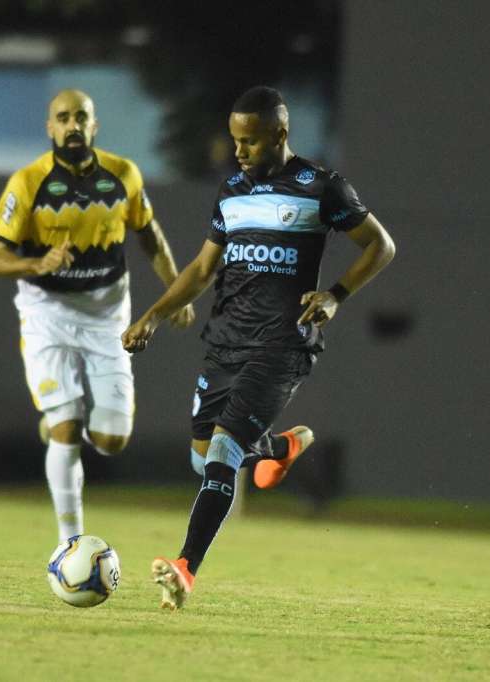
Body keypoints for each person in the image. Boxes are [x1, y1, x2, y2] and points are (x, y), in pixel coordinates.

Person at [122, 85, 396, 610]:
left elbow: (381, 246)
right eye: (234, 141)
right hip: (226, 340)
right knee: (204, 464)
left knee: (224, 450)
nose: (239, 150)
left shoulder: (323, 188)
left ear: (280, 134)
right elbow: (203, 269)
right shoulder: (231, 192)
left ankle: (185, 569)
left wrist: (336, 296)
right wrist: (153, 315)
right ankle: (278, 447)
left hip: (283, 343)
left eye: (249, 141)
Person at [0, 89, 194, 544]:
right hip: (49, 313)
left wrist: (175, 289)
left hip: (107, 315)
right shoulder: (27, 183)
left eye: (81, 116)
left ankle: (60, 422)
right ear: (50, 127)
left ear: (94, 126)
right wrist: (36, 264)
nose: (72, 124)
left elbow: (150, 237)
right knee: (67, 424)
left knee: (112, 439)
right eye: (63, 117)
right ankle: (69, 545)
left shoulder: (123, 175)